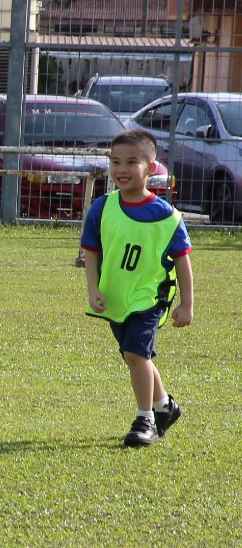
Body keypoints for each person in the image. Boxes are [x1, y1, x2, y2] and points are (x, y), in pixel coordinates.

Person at [80, 128, 192, 447]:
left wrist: (187, 304)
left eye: (132, 162)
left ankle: (147, 420)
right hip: (116, 296)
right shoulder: (103, 208)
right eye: (115, 161)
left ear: (151, 167)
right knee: (135, 357)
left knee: (135, 352)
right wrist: (93, 289)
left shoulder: (167, 217)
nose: (122, 169)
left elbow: (183, 261)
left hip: (149, 296)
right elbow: (90, 251)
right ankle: (165, 406)